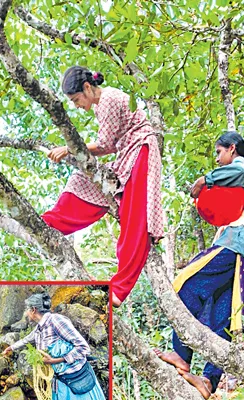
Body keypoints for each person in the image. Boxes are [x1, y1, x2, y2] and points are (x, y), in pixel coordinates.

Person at [155, 132, 244, 399]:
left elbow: (235, 172)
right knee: (224, 317)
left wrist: (204, 180)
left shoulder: (243, 167)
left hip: (236, 242)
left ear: (233, 150)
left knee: (185, 283)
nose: (218, 160)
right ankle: (209, 380)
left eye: (219, 154)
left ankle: (182, 353)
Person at [42, 66, 164, 307]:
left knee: (135, 219)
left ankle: (119, 289)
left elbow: (106, 145)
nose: (77, 105)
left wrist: (69, 149)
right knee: (81, 180)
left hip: (141, 151)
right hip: (125, 156)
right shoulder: (100, 104)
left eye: (76, 100)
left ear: (88, 88)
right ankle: (51, 222)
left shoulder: (107, 99)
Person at [3, 293, 106, 400]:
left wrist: (55, 360)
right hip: (62, 382)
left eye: (27, 310)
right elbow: (27, 339)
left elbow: (83, 347)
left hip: (77, 379)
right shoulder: (40, 327)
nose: (26, 313)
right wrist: (11, 347)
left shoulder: (56, 321)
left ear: (33, 310)